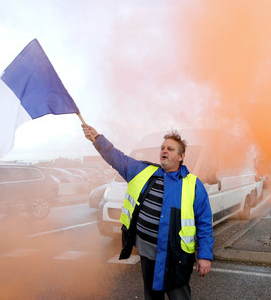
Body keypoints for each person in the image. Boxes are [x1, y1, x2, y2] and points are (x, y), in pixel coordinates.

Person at [82, 124, 214, 300]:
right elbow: (116, 158)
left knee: (179, 296)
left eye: (170, 149)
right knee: (151, 296)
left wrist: (204, 255)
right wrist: (97, 139)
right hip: (147, 252)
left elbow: (204, 222)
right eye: (162, 148)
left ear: (181, 156)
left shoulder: (193, 184)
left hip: (177, 257)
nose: (164, 151)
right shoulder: (143, 171)